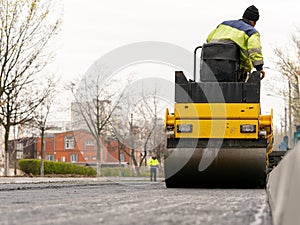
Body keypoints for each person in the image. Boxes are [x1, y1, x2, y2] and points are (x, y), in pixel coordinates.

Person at [206, 5, 265, 81]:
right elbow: (255, 51)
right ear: (254, 22)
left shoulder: (223, 25)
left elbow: (208, 39)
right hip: (233, 73)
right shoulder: (251, 32)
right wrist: (259, 68)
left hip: (209, 67)